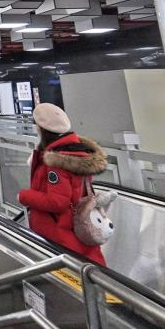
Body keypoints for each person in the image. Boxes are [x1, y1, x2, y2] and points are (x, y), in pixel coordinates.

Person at [18, 103, 108, 266]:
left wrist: (24, 196)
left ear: (41, 129)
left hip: (59, 234)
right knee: (89, 267)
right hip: (78, 228)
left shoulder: (58, 160)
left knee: (70, 271)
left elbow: (58, 202)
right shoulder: (78, 152)